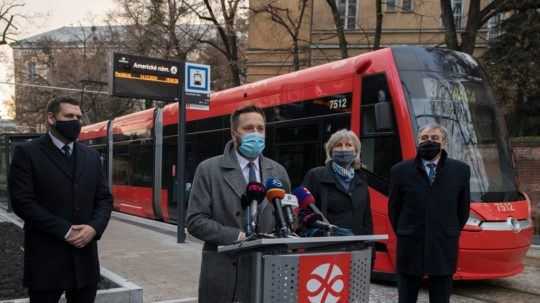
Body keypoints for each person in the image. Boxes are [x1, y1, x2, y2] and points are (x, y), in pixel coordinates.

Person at [8, 96, 113, 303]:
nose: (76, 121)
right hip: (46, 261)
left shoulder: (91, 156)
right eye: (69, 116)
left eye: (78, 117)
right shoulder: (27, 152)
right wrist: (65, 231)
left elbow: (104, 199)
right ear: (51, 118)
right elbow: (23, 202)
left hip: (85, 262)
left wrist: (93, 228)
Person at [186, 104, 290, 303]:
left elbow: (286, 219)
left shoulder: (278, 172)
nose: (256, 134)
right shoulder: (209, 170)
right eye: (249, 128)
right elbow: (195, 221)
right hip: (224, 274)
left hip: (266, 272)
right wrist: (237, 236)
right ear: (234, 133)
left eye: (260, 129)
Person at [388, 123, 471, 303]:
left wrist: (449, 230)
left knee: (441, 298)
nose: (429, 142)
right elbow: (394, 209)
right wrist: (406, 230)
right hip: (410, 245)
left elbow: (462, 209)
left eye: (435, 138)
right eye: (424, 138)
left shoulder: (461, 171)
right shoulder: (400, 171)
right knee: (406, 298)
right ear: (418, 142)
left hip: (443, 245)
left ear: (444, 143)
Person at [301, 129, 372, 236]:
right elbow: (303, 212)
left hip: (356, 246)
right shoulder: (316, 175)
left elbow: (367, 219)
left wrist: (370, 247)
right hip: (326, 246)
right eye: (338, 145)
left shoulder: (361, 180)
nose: (343, 149)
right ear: (331, 151)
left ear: (356, 152)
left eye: (348, 145)